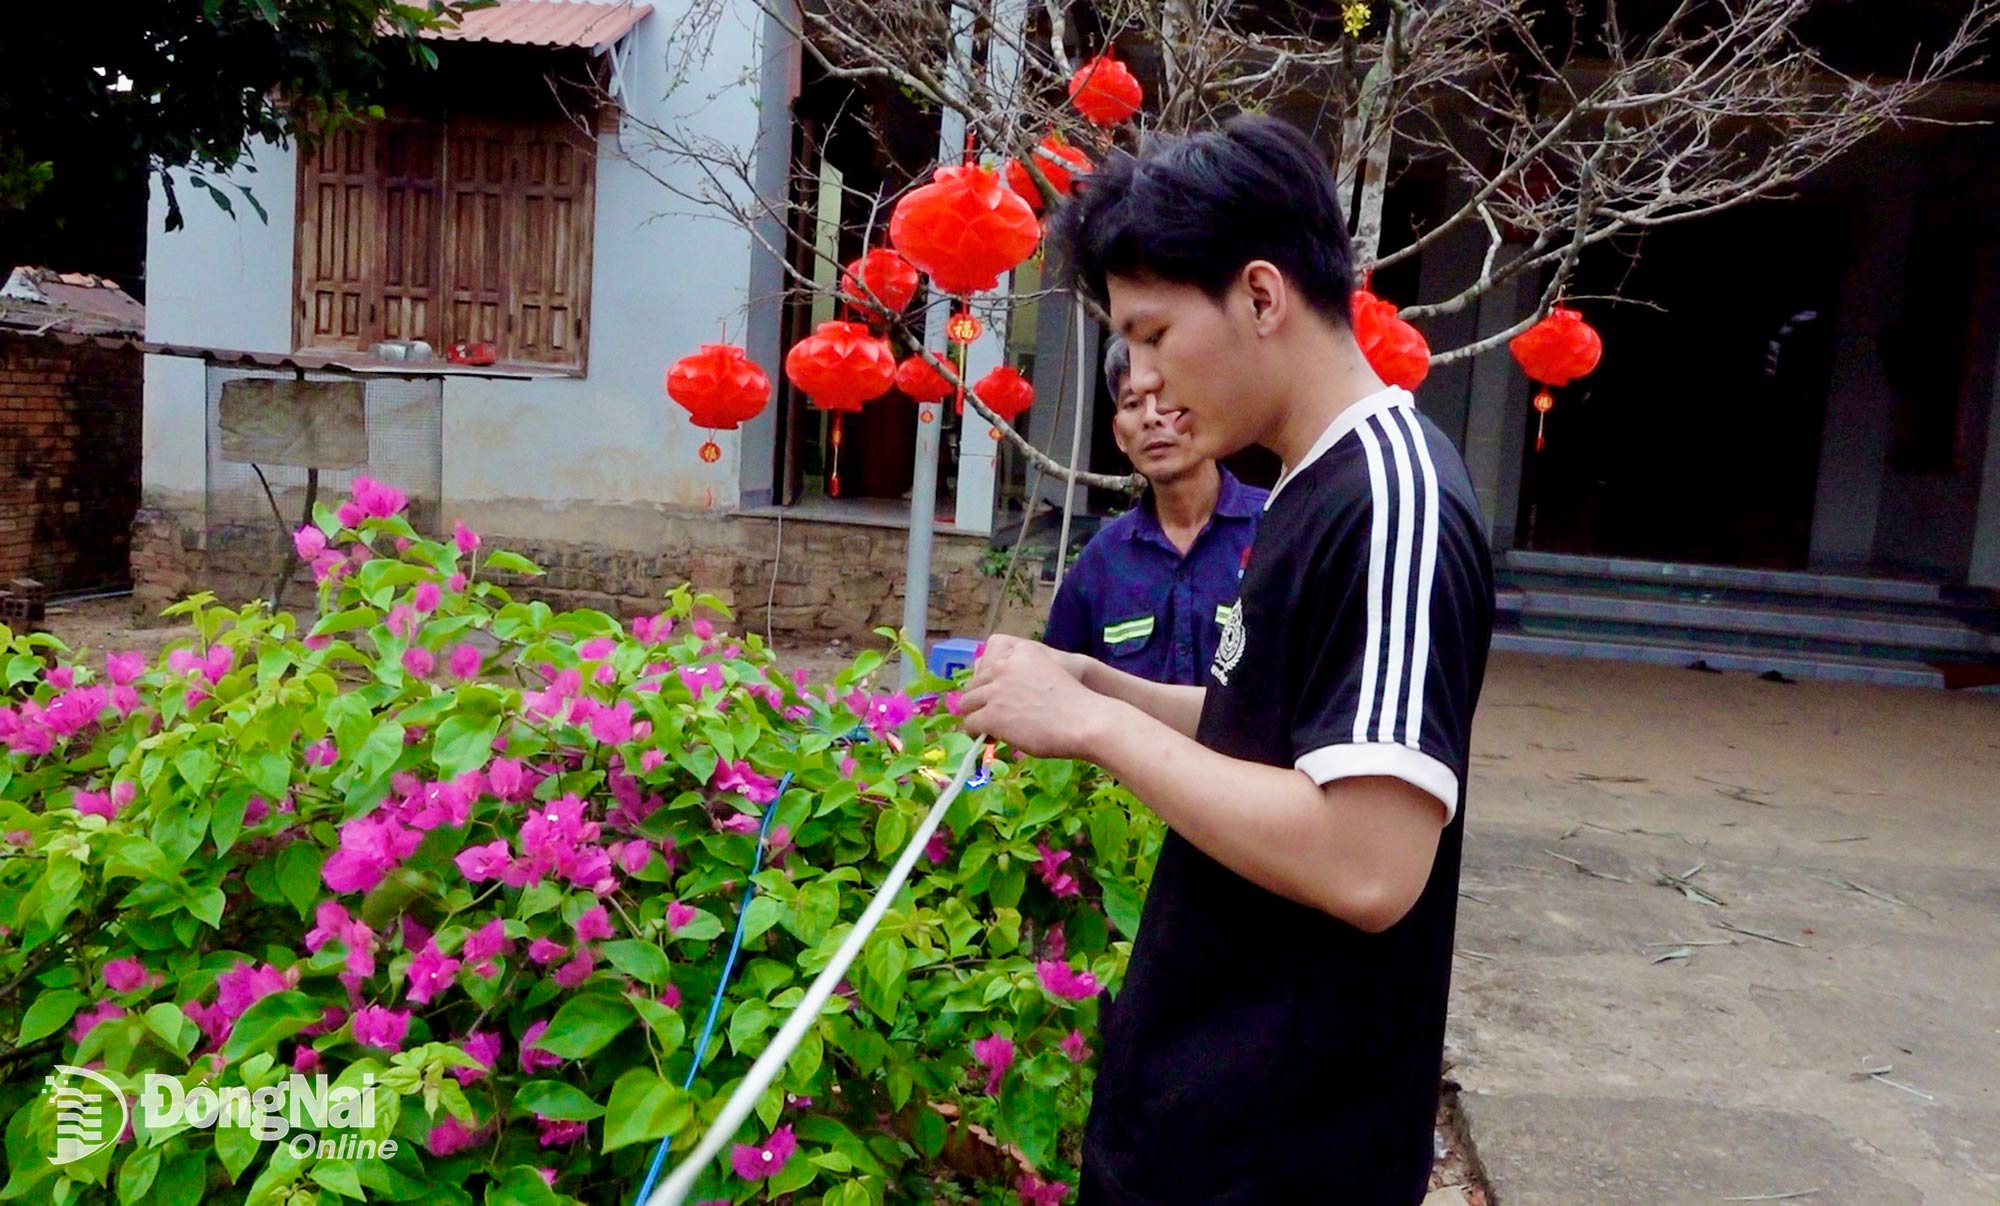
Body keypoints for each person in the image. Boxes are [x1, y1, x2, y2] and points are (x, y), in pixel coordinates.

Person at [959, 114, 1495, 1204]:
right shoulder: (1306, 482)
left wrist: (1093, 730)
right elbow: (1276, 736)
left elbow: (1366, 858)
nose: (1141, 380)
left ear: (1259, 297)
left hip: (1278, 1156)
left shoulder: (1392, 501)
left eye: (1152, 334)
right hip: (1199, 1120)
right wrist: (1099, 685)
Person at [1041, 335, 1266, 686]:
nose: (1151, 418)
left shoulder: (1275, 527)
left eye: (1166, 397)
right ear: (1119, 434)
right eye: (1132, 404)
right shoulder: (1103, 560)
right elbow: (1055, 688)